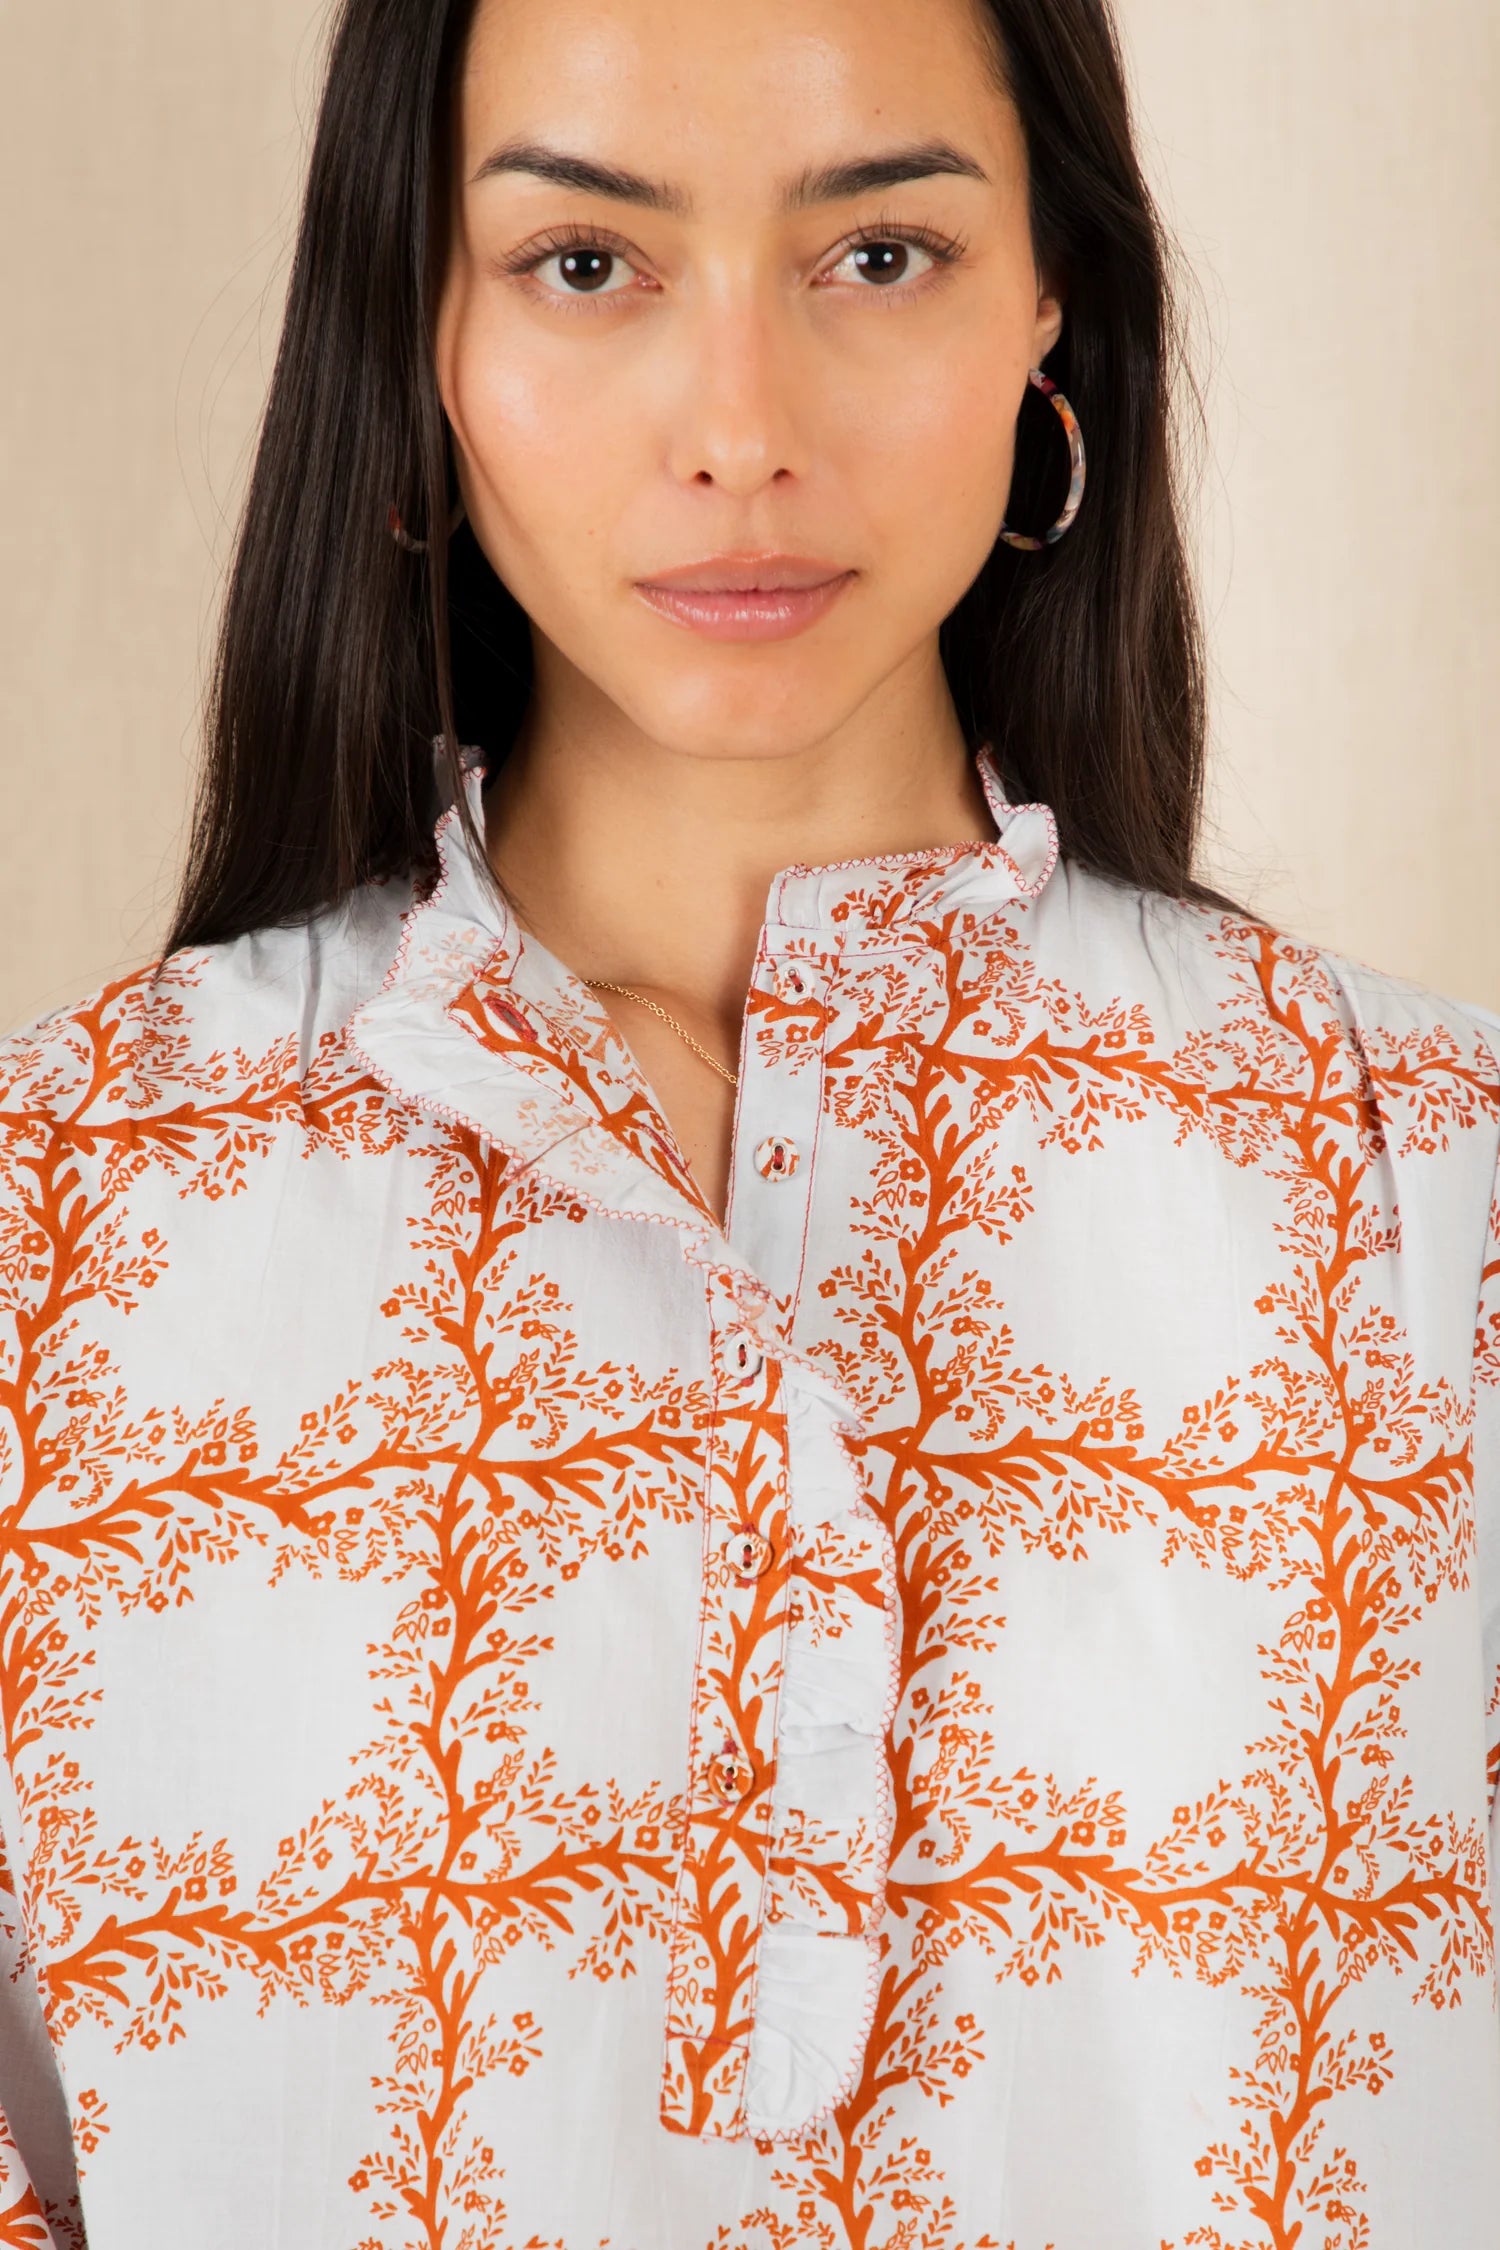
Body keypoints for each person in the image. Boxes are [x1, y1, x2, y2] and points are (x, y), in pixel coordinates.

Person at [1, 0, 1496, 2242]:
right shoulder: (65, 1211)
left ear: (1049, 300)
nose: (742, 430)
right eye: (587, 265)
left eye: (877, 253)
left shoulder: (1431, 1191)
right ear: (420, 322)